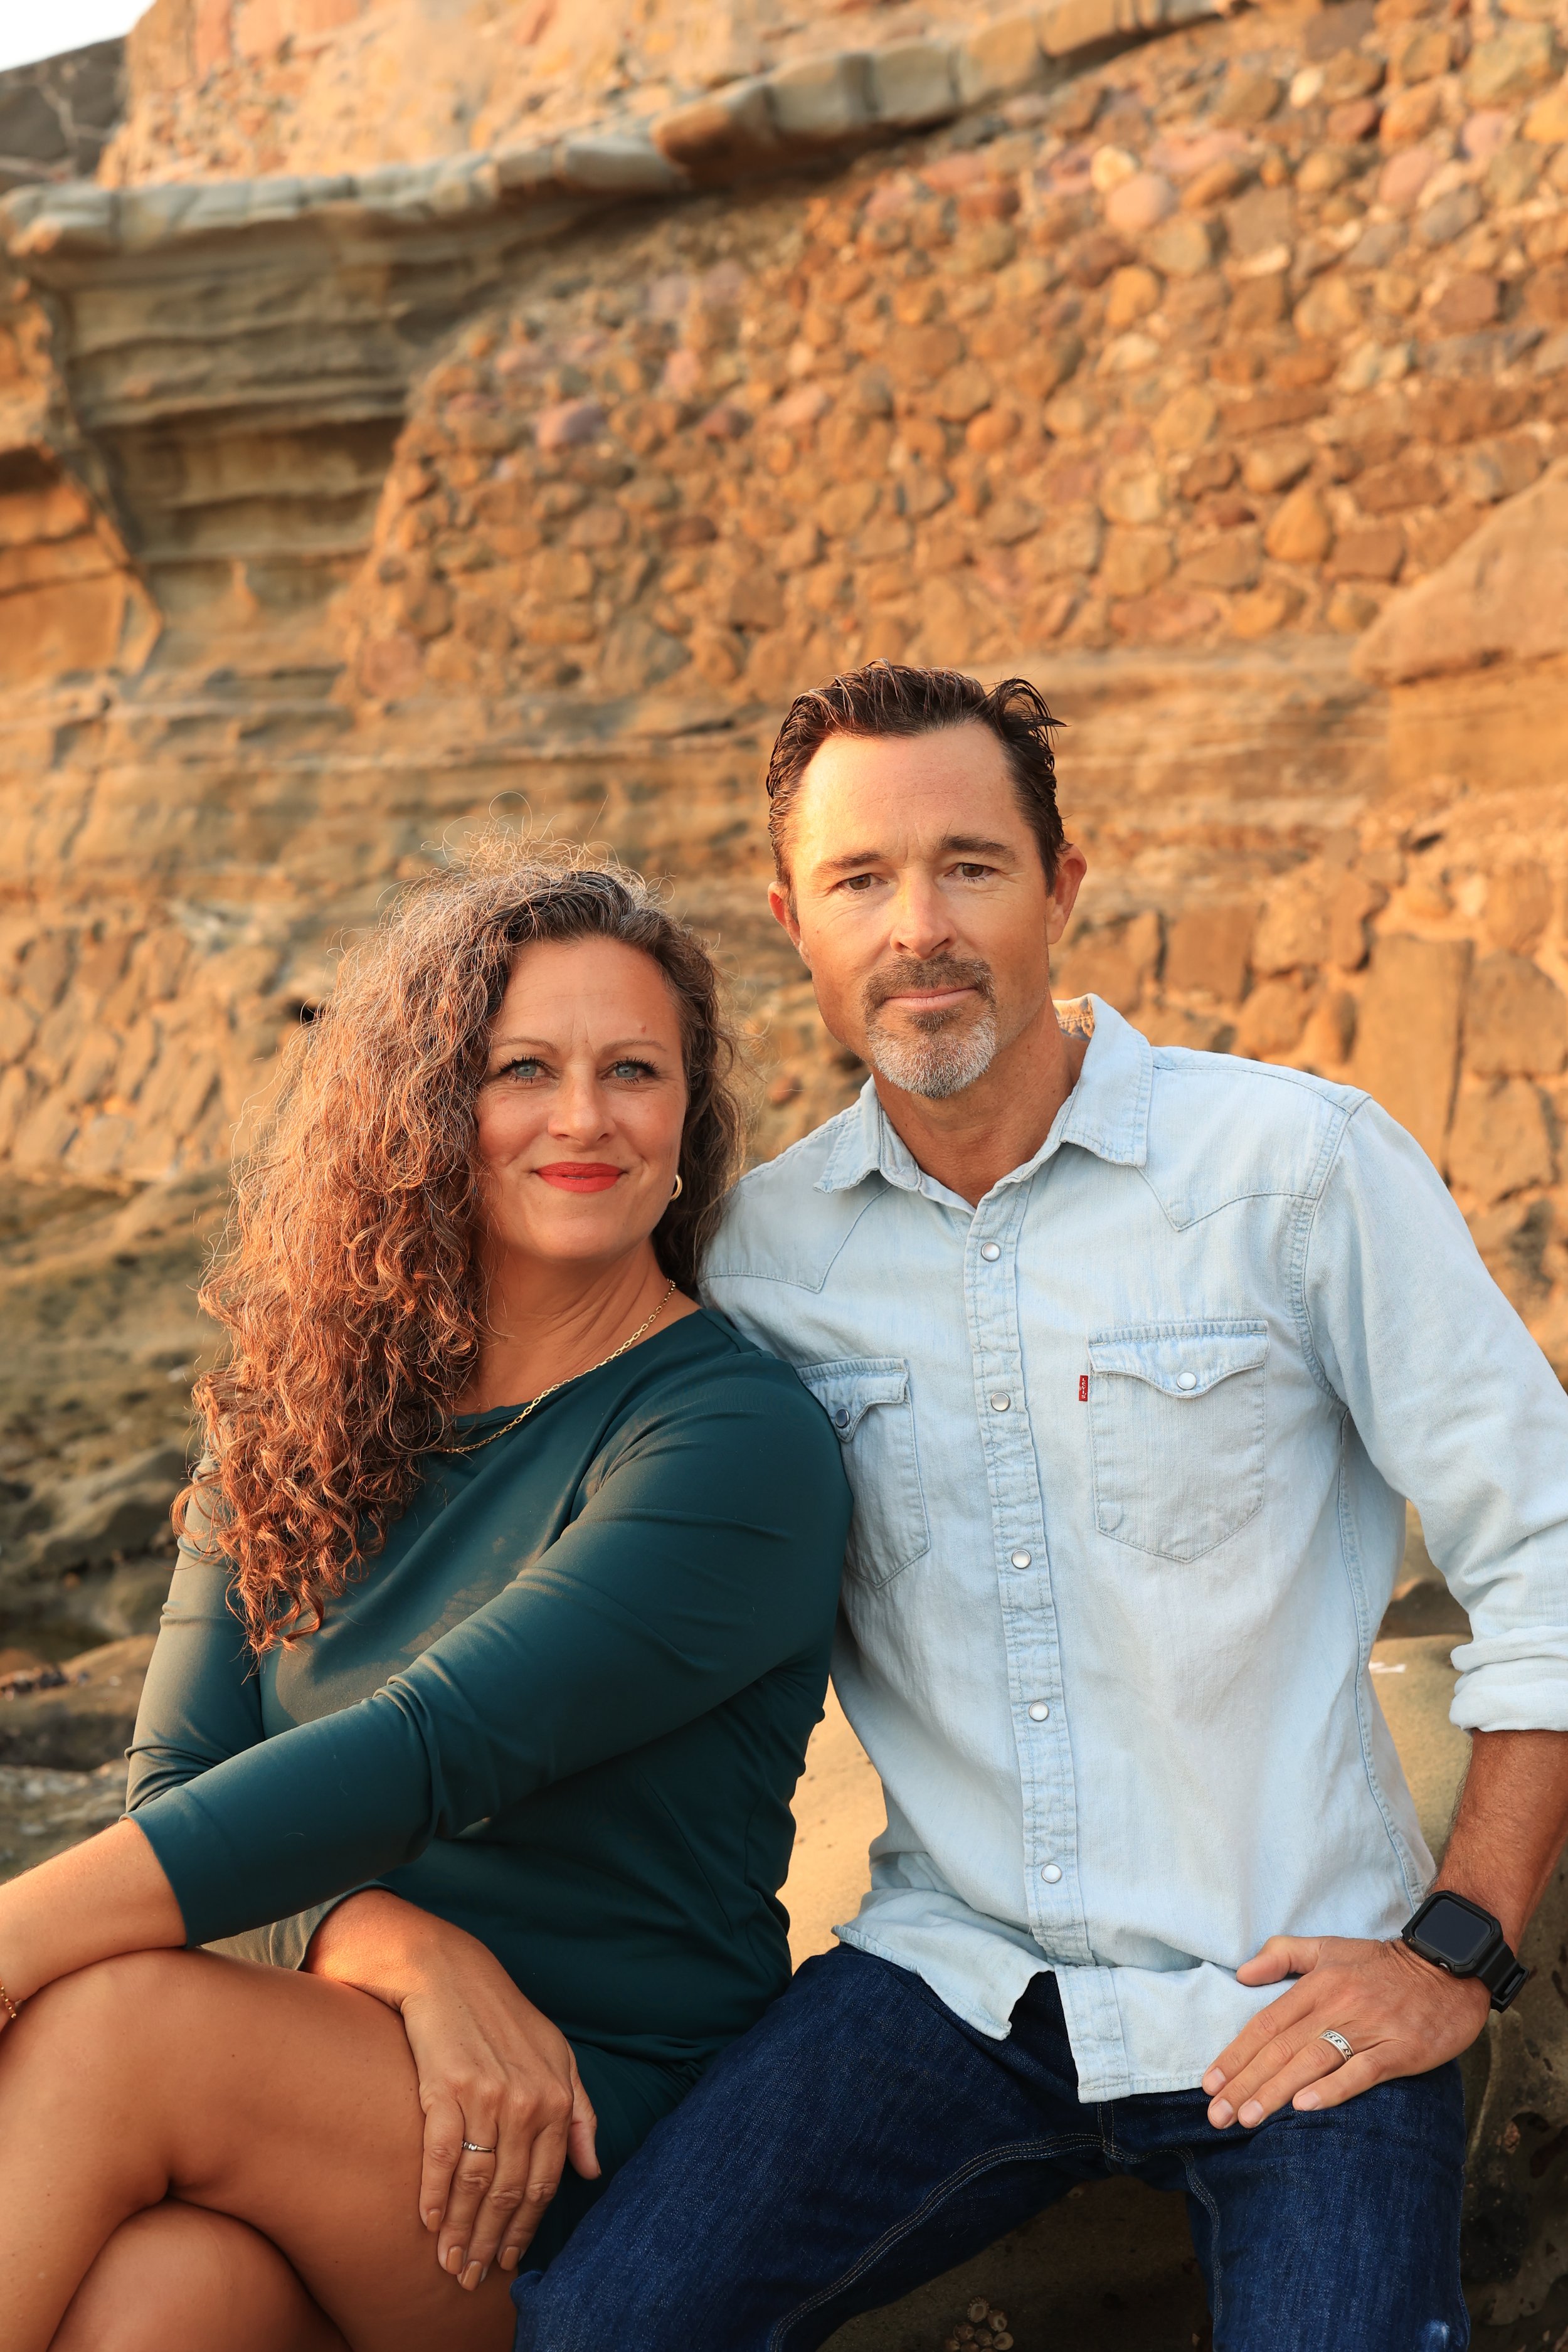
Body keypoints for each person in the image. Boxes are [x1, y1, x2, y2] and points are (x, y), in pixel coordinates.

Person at [506, 661, 1568, 2352]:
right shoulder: (762, 1258)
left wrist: (1452, 1951)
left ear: (1062, 885)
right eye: (861, 879)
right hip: (948, 1983)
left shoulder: (1291, 1167)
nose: (917, 926)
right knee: (597, 2322)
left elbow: (1546, 1549)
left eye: (969, 866)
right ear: (795, 920)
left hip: (1290, 1983)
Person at [0, 842, 850, 2352]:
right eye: (521, 1067)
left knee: (110, 2024)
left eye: (632, 1072)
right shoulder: (295, 1415)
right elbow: (173, 1784)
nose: (580, 1118)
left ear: (687, 1122)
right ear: (427, 1110)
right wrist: (392, 1947)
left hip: (569, 2137)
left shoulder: (731, 1443)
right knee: (162, 2301)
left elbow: (426, 1748)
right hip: (326, 2085)